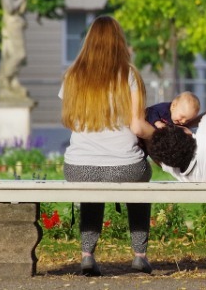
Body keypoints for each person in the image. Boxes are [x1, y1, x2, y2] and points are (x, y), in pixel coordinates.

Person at [59, 15, 156, 276]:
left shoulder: (72, 75)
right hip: (125, 167)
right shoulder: (129, 75)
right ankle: (139, 255)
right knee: (139, 179)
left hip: (78, 167)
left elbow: (70, 122)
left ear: (88, 41)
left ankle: (87, 255)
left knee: (92, 183)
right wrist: (157, 132)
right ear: (119, 42)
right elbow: (138, 127)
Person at [0, 0, 28, 98]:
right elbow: (9, 8)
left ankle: (12, 81)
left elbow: (19, 10)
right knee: (19, 54)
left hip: (15, 24)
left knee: (13, 55)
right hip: (12, 25)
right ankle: (4, 79)